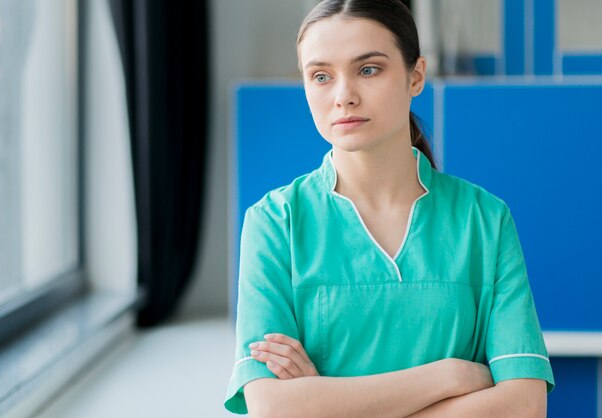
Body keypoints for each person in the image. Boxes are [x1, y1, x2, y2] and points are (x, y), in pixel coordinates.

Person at [224, 0, 555, 416]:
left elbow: (524, 406)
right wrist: (447, 376)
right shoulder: (275, 223)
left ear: (415, 76)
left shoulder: (484, 220)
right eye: (321, 76)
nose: (343, 96)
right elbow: (273, 409)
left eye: (368, 69)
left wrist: (325, 402)